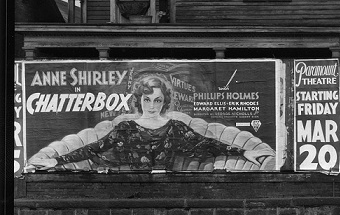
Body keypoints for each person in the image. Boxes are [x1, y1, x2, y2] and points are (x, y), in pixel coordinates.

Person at [25, 74, 273, 172]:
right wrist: (56, 160)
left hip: (167, 188)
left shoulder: (175, 127)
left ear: (164, 102)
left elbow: (207, 144)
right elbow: (93, 148)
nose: (151, 105)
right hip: (129, 187)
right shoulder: (125, 128)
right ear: (139, 100)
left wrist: (243, 151)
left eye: (157, 99)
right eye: (146, 99)